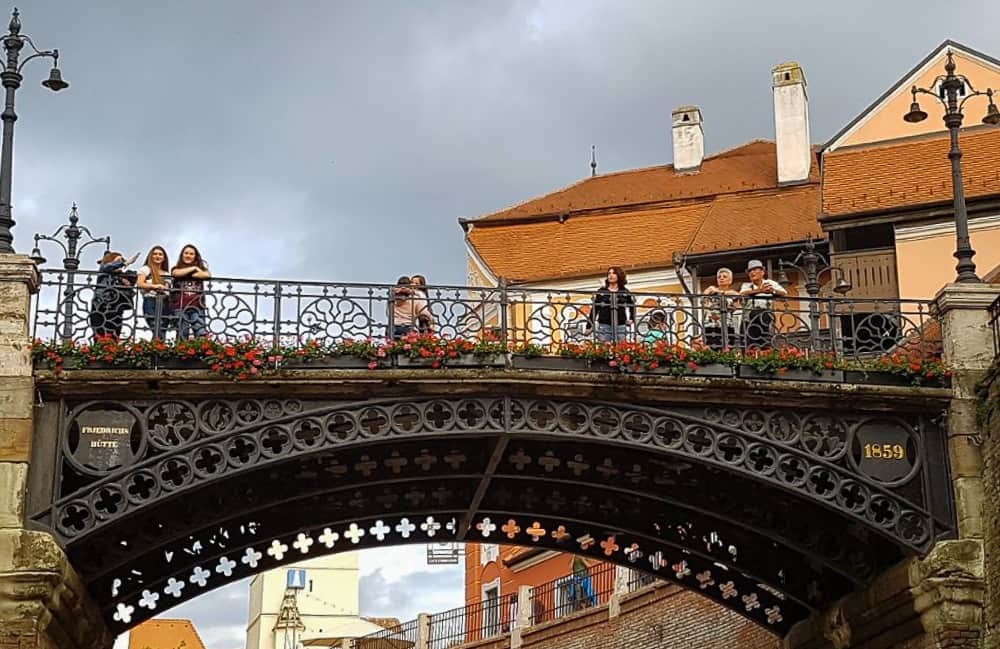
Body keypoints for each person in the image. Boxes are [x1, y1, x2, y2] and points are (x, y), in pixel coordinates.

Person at [89, 251, 139, 340]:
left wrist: (126, 281)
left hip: (116, 308)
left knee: (115, 334)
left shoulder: (121, 276)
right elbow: (106, 267)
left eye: (121, 261)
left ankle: (112, 349)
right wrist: (125, 263)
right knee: (99, 334)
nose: (120, 264)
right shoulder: (104, 271)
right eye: (117, 261)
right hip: (101, 306)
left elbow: (134, 278)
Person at [739, 259, 787, 349]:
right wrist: (760, 290)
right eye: (750, 271)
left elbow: (784, 293)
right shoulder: (746, 285)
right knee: (747, 345)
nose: (752, 273)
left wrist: (772, 291)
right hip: (748, 320)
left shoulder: (770, 283)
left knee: (764, 343)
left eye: (754, 270)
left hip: (764, 317)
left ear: (762, 272)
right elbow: (742, 294)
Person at [170, 244, 212, 339]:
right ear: (182, 255)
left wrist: (192, 272)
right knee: (182, 335)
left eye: (191, 254)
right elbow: (176, 273)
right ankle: (181, 353)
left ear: (195, 256)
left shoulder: (201, 269)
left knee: (200, 333)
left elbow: (207, 275)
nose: (188, 255)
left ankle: (201, 353)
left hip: (197, 306)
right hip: (180, 306)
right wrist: (194, 268)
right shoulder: (176, 268)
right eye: (186, 253)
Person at [136, 245, 175, 339]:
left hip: (165, 302)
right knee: (156, 327)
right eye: (155, 254)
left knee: (162, 329)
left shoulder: (166, 273)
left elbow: (169, 289)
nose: (158, 256)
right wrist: (154, 286)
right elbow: (140, 283)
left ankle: (157, 349)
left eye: (160, 254)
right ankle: (158, 349)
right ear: (151, 256)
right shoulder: (146, 269)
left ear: (164, 257)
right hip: (150, 301)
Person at [591, 266, 635, 343]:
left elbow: (632, 306)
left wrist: (632, 318)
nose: (610, 275)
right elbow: (595, 309)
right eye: (609, 273)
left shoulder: (624, 291)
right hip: (604, 325)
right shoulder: (602, 291)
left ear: (619, 275)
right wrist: (589, 325)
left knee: (621, 350)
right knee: (604, 351)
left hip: (620, 325)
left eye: (614, 273)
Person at [702, 267, 742, 351]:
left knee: (727, 349)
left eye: (724, 276)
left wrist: (721, 293)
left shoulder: (732, 293)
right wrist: (712, 291)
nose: (721, 278)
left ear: (730, 280)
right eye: (719, 277)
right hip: (711, 325)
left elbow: (738, 304)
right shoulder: (711, 290)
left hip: (727, 325)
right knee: (712, 349)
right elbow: (703, 300)